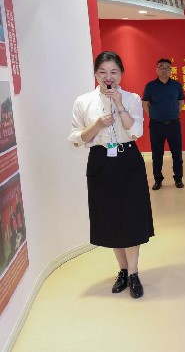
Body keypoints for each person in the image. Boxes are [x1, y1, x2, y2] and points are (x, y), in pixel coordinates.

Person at [69, 51, 154, 299]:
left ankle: (134, 273)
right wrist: (97, 125)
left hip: (128, 161)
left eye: (114, 72)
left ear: (121, 74)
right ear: (96, 74)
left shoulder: (132, 98)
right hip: (100, 162)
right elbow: (76, 138)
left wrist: (119, 105)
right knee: (111, 218)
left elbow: (136, 131)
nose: (109, 77)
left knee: (131, 217)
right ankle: (123, 271)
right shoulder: (83, 101)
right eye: (103, 72)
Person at [142, 58, 185, 190]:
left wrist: (174, 113)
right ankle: (158, 180)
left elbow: (181, 102)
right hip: (156, 126)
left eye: (167, 68)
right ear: (157, 70)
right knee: (157, 154)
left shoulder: (176, 85)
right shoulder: (150, 86)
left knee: (177, 153)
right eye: (161, 67)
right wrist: (152, 116)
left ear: (171, 70)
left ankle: (178, 179)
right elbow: (145, 104)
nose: (164, 70)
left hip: (173, 125)